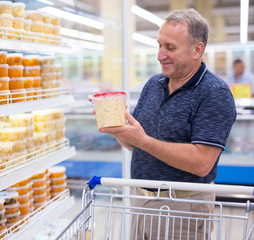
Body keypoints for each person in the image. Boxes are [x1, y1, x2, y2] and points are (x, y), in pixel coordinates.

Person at [98, 9, 236, 239]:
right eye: (159, 45)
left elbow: (202, 162)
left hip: (183, 206)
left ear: (197, 50)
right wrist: (117, 129)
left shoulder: (214, 93)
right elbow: (137, 144)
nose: (160, 55)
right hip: (140, 199)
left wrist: (143, 140)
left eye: (170, 47)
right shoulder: (154, 84)